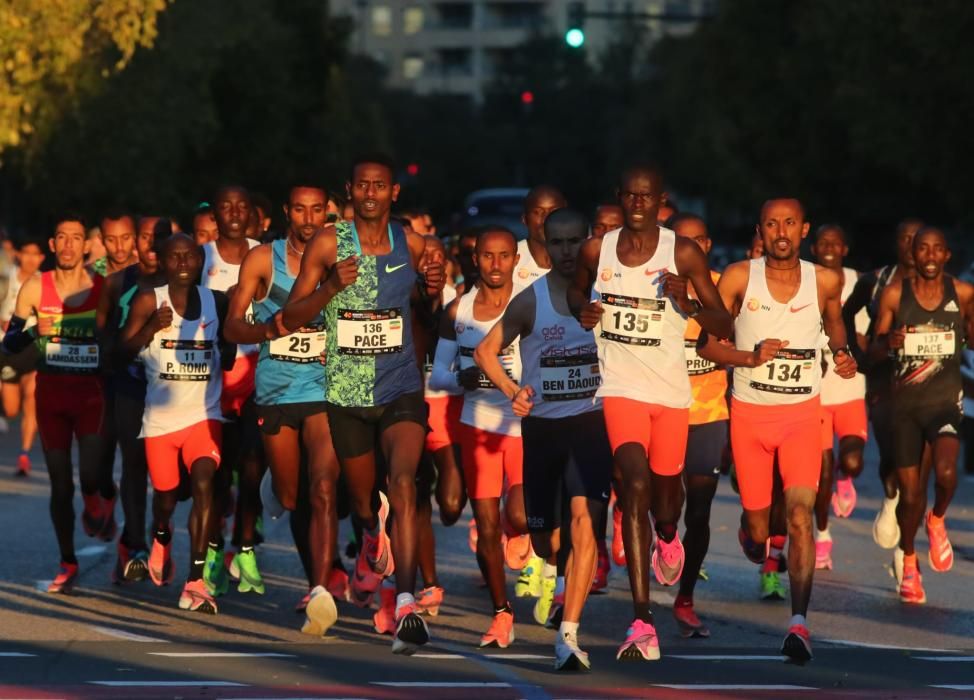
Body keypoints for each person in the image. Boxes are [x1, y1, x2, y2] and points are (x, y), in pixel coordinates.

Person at [568, 165, 731, 662]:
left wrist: (688, 300)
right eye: (630, 195)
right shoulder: (598, 250)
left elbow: (724, 321)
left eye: (647, 196)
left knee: (666, 504)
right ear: (619, 199)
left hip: (671, 395)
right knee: (633, 486)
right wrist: (584, 311)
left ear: (660, 201)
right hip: (619, 388)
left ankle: (666, 536)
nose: (638, 203)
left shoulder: (680, 252)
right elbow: (576, 290)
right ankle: (642, 618)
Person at [283, 153, 444, 655]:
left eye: (380, 185)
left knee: (403, 485)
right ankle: (371, 536)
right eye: (363, 186)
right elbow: (292, 313)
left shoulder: (413, 244)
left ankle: (407, 602)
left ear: (394, 192)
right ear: (349, 192)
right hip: (346, 395)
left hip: (400, 388)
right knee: (362, 501)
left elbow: (430, 316)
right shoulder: (330, 243)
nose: (371, 193)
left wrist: (432, 294)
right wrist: (332, 286)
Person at [706, 197, 856, 662]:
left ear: (804, 228)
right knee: (760, 526)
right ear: (761, 231)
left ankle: (799, 624)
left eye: (790, 222)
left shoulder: (825, 281)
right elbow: (710, 347)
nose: (781, 231)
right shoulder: (737, 278)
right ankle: (753, 535)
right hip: (750, 416)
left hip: (800, 418)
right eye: (772, 224)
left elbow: (835, 331)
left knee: (798, 517)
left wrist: (843, 355)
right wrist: (749, 358)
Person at [475, 208, 610, 670]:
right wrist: (515, 392)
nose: (569, 251)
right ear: (545, 246)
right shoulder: (530, 301)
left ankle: (568, 635)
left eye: (576, 241)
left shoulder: (604, 293)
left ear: (587, 241)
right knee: (545, 541)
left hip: (591, 424)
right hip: (544, 430)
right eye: (559, 243)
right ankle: (556, 567)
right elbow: (484, 351)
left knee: (585, 522)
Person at [224, 183, 344, 635]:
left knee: (324, 488)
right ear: (286, 212)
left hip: (323, 387)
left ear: (327, 212)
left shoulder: (339, 259)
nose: (309, 218)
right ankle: (281, 479)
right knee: (292, 497)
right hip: (276, 390)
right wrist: (266, 331)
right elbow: (234, 325)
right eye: (300, 209)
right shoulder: (262, 260)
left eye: (317, 209)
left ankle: (320, 590)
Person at [121, 233, 234, 613]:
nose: (183, 263)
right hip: (160, 424)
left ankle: (196, 580)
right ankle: (161, 535)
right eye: (175, 257)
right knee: (166, 499)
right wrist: (151, 327)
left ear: (200, 261)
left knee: (205, 485)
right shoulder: (149, 300)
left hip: (205, 416)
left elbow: (230, 350)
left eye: (190, 256)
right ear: (164, 262)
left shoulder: (216, 302)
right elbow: (120, 349)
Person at [429, 226, 529, 648]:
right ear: (476, 260)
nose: (496, 264)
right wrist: (462, 378)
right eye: (488, 256)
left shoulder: (532, 306)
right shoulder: (458, 312)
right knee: (486, 527)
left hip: (523, 429)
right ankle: (501, 612)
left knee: (521, 517)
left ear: (515, 260)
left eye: (504, 256)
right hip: (477, 425)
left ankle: (522, 533)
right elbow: (436, 376)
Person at [2, 214, 113, 593]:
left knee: (93, 474)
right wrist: (35, 330)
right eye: (61, 238)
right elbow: (10, 345)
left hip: (91, 397)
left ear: (86, 247)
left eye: (76, 238)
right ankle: (68, 561)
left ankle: (97, 497)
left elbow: (118, 341)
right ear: (53, 245)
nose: (67, 245)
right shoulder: (35, 288)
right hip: (51, 397)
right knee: (60, 485)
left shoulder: (103, 288)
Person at [870, 226, 973, 604]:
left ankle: (938, 518)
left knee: (946, 473)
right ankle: (910, 560)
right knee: (910, 495)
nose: (929, 256)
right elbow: (875, 348)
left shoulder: (962, 294)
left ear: (947, 255)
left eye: (937, 250)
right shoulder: (896, 294)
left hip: (944, 402)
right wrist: (890, 342)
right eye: (922, 250)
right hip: (906, 408)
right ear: (913, 254)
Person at [200, 185, 265, 598]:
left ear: (253, 214)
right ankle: (212, 552)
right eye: (226, 207)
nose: (235, 213)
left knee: (255, 468)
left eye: (243, 206)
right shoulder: (200, 257)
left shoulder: (265, 255)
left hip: (260, 373)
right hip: (213, 377)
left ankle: (245, 548)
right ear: (215, 216)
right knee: (219, 476)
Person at [842, 219, 922, 549]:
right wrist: (858, 354)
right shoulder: (876, 281)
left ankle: (908, 554)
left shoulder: (945, 286)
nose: (912, 245)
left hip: (929, 387)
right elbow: (846, 315)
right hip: (885, 383)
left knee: (919, 471)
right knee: (893, 460)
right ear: (897, 243)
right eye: (905, 238)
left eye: (918, 239)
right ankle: (890, 499)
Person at [667, 212, 728, 637]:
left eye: (698, 241)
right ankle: (663, 536)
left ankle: (686, 599)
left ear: (706, 246)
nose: (690, 248)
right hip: (663, 410)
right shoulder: (651, 284)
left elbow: (738, 333)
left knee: (701, 510)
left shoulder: (727, 284)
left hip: (709, 413)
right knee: (666, 511)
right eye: (680, 241)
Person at [808, 224, 869, 569]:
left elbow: (867, 332)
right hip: (816, 393)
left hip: (849, 390)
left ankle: (847, 480)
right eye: (823, 243)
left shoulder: (858, 281)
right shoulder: (803, 279)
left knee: (851, 463)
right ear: (814, 248)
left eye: (836, 242)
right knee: (821, 473)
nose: (829, 247)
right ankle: (823, 536)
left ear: (844, 249)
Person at [0, 239, 44, 476]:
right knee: (11, 408)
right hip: (6, 348)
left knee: (32, 397)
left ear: (41, 258)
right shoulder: (6, 277)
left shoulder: (44, 282)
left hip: (33, 346)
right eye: (25, 253)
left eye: (34, 254)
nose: (30, 258)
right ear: (18, 255)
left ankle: (24, 454)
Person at [515, 185, 567, 289]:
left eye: (554, 211)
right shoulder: (509, 258)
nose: (546, 219)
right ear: (525, 219)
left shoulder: (582, 258)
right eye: (537, 212)